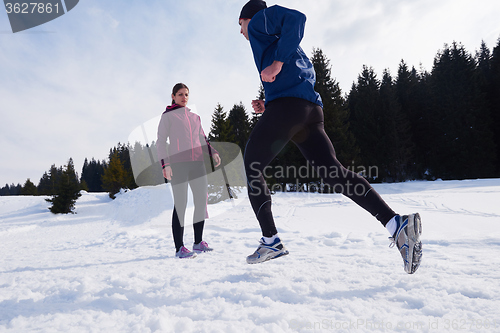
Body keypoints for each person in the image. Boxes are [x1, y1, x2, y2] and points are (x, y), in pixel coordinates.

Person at [238, 1, 422, 273]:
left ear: (247, 18)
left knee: (252, 166)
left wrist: (276, 65)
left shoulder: (259, 21)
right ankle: (396, 225)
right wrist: (270, 102)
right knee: (335, 173)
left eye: (239, 24)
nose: (241, 31)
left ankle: (270, 240)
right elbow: (294, 75)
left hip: (290, 108)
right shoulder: (277, 39)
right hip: (308, 110)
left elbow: (297, 18)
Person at [157, 83, 221, 259]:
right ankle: (179, 248)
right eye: (180, 94)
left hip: (197, 164)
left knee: (201, 201)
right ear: (173, 96)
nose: (184, 97)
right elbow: (161, 142)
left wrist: (213, 152)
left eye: (186, 94)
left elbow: (203, 138)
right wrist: (166, 165)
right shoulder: (168, 116)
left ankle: (198, 242)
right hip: (178, 165)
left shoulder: (195, 117)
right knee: (181, 204)